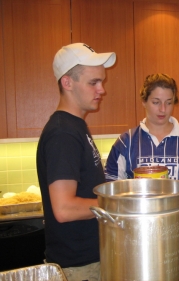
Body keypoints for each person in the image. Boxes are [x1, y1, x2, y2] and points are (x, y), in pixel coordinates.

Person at [104, 73, 179, 270]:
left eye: (169, 102)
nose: (163, 109)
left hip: (178, 232)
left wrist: (172, 196)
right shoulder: (127, 141)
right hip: (135, 236)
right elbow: (112, 189)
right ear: (144, 101)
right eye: (156, 102)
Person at [36, 43, 116, 281]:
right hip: (79, 268)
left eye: (101, 81)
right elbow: (64, 209)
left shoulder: (75, 127)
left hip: (87, 262)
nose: (102, 89)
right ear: (67, 82)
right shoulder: (63, 134)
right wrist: (116, 205)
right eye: (93, 82)